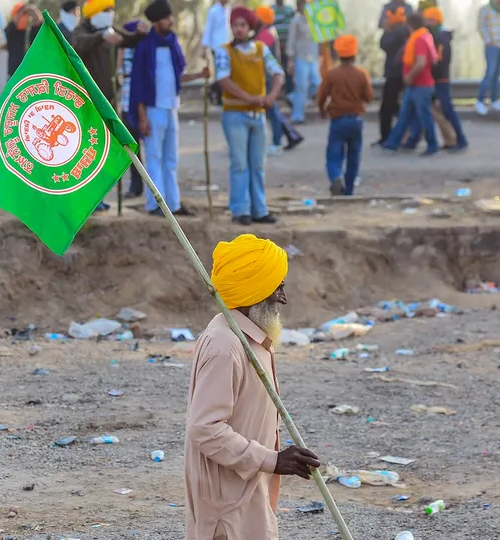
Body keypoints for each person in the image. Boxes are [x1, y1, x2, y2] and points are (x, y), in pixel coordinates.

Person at [185, 233, 321, 540]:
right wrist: (272, 460)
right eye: (278, 288)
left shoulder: (253, 338)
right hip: (226, 504)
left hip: (247, 492)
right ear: (255, 291)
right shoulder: (225, 344)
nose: (283, 298)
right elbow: (205, 429)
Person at [129, 0, 208, 217]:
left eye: (170, 16)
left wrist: (200, 75)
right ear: (157, 21)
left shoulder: (173, 43)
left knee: (171, 160)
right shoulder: (145, 47)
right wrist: (142, 116)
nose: (170, 21)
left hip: (171, 108)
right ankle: (155, 205)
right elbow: (139, 84)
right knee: (153, 159)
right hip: (153, 110)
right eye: (166, 17)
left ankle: (173, 204)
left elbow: (177, 76)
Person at [72, 0, 146, 212]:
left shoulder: (108, 31)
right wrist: (101, 37)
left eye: (112, 10)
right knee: (86, 154)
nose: (110, 15)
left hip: (108, 103)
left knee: (101, 153)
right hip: (87, 104)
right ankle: (88, 199)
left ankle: (99, 198)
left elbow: (126, 40)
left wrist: (139, 34)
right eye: (106, 10)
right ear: (94, 12)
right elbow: (80, 43)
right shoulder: (83, 31)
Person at [216, 6, 284, 226]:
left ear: (250, 27)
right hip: (235, 113)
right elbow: (223, 79)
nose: (239, 29)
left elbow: (278, 73)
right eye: (235, 25)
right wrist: (249, 98)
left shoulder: (260, 49)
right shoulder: (224, 51)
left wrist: (271, 95)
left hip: (257, 115)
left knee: (257, 164)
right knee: (239, 164)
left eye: (242, 25)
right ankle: (240, 209)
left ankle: (259, 209)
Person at [317, 35, 372, 196]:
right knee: (353, 156)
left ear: (339, 55)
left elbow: (321, 96)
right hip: (355, 119)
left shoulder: (332, 75)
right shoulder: (361, 74)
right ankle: (348, 190)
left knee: (334, 153)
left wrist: (322, 110)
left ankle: (335, 177)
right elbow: (368, 97)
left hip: (338, 119)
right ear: (354, 55)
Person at [379, 12, 439, 156]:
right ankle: (393, 142)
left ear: (409, 25)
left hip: (421, 84)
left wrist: (409, 76)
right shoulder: (424, 36)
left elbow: (421, 62)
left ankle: (432, 144)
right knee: (406, 114)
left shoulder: (419, 39)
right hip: (415, 84)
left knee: (424, 116)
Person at [255, 5, 302, 155]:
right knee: (273, 110)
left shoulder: (264, 36)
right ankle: (292, 135)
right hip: (270, 77)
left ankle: (277, 142)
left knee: (272, 111)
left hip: (267, 78)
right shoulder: (270, 32)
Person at [425, 6, 466, 151]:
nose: (427, 22)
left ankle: (460, 140)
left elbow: (441, 60)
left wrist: (434, 73)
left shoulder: (440, 37)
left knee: (447, 110)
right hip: (437, 78)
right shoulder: (437, 36)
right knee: (438, 110)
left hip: (440, 79)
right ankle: (451, 140)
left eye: (430, 19)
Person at [118, 19, 144, 198]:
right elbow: (117, 72)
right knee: (133, 147)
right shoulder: (124, 49)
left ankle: (141, 186)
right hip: (127, 102)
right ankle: (136, 185)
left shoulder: (143, 50)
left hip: (138, 103)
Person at [375, 8, 409, 145]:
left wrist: (387, 31)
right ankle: (397, 135)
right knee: (394, 106)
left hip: (395, 74)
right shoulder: (403, 31)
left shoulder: (399, 32)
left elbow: (384, 45)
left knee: (387, 108)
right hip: (399, 73)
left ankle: (388, 137)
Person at [285, 0, 318, 124]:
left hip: (312, 57)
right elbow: (291, 41)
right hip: (300, 57)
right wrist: (290, 60)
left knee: (316, 84)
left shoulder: (315, 21)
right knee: (301, 86)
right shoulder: (296, 21)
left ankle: (293, 98)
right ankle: (297, 116)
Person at [475, 0, 500, 115]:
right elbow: (481, 26)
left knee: (498, 74)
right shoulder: (485, 9)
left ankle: (494, 100)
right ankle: (480, 101)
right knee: (490, 73)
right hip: (492, 46)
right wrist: (488, 41)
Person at [201, 0, 231, 105]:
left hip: (228, 46)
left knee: (227, 72)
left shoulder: (228, 9)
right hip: (217, 47)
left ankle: (213, 90)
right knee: (220, 72)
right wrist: (204, 47)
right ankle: (218, 97)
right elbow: (208, 29)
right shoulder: (213, 11)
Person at [4, 2, 41, 77]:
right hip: (13, 71)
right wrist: (21, 11)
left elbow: (38, 23)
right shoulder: (10, 30)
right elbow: (14, 22)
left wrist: (33, 10)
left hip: (29, 69)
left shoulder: (29, 31)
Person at [271, 0, 295, 94]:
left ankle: (289, 92)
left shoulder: (290, 10)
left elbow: (293, 28)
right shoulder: (271, 10)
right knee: (276, 68)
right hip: (275, 44)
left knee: (289, 69)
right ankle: (276, 92)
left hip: (288, 45)